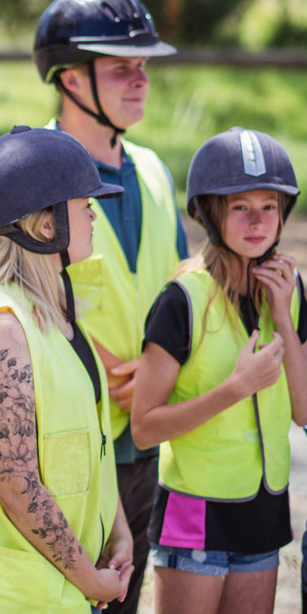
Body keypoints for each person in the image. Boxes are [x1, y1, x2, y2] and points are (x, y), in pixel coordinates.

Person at [32, 0, 187, 614]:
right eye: (121, 67)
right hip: (73, 445)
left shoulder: (153, 170)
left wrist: (161, 368)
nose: (140, 79)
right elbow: (5, 301)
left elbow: (179, 282)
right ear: (70, 80)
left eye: (144, 67)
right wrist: (96, 365)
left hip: (149, 440)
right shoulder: (28, 172)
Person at [0, 125, 133, 612]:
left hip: (63, 586)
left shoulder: (57, 312)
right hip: (18, 596)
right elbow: (16, 482)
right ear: (47, 226)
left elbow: (93, 445)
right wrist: (91, 580)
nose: (93, 214)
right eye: (84, 205)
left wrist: (119, 529)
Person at [131, 127, 307, 614]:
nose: (257, 221)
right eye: (239, 207)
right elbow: (144, 428)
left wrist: (286, 319)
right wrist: (235, 389)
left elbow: (303, 410)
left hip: (264, 511)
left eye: (268, 206)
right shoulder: (180, 300)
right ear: (211, 213)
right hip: (193, 515)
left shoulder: (288, 290)